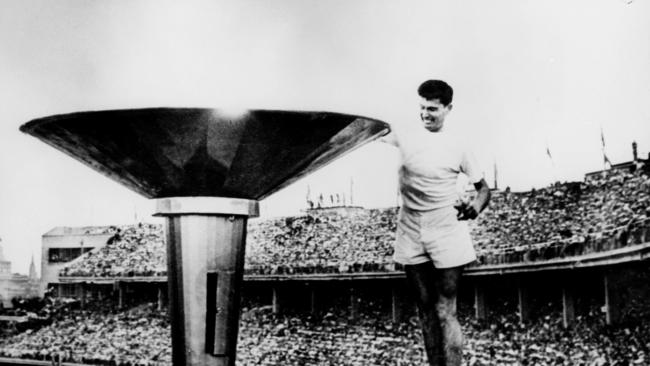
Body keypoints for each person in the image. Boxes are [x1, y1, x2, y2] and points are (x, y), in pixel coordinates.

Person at [383, 79, 491, 366]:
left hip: (446, 227)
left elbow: (483, 189)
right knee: (425, 310)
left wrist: (475, 209)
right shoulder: (404, 135)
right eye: (421, 108)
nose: (425, 114)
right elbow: (366, 130)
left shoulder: (458, 145)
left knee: (446, 310)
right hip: (410, 227)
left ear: (448, 108)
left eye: (432, 109)